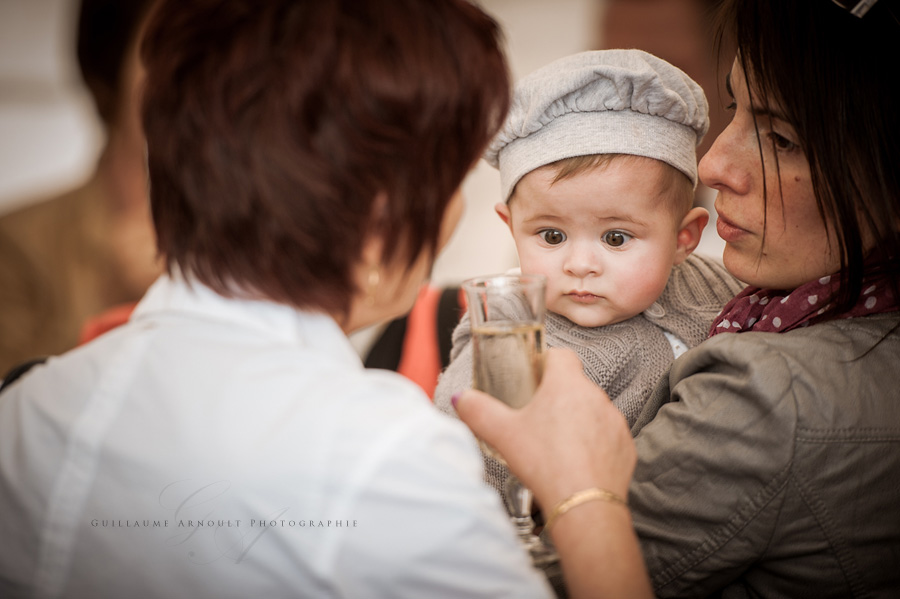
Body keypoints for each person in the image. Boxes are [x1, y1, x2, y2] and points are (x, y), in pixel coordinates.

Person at [0, 1, 569, 597]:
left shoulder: (26, 412)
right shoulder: (384, 456)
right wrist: (591, 496)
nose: (454, 212)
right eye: (453, 182)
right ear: (380, 225)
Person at [456, 0, 900, 597]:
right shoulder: (778, 303)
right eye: (734, 107)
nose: (714, 163)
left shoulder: (772, 395)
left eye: (783, 137)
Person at [434, 49, 742, 493]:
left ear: (683, 239)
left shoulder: (727, 292)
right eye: (551, 236)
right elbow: (463, 472)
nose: (579, 266)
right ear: (512, 227)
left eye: (616, 238)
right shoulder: (510, 342)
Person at [0, 0, 163, 375]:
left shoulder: (262, 236)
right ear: (111, 62)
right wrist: (117, 306)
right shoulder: (15, 243)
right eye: (158, 50)